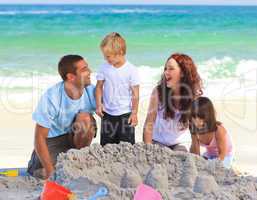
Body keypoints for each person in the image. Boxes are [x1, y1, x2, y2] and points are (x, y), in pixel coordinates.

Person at [27, 55, 97, 179]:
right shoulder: (52, 97)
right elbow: (39, 137)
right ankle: (42, 168)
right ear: (71, 77)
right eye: (84, 69)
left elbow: (116, 108)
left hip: (74, 138)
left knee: (85, 119)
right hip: (53, 140)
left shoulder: (92, 92)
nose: (90, 72)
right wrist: (50, 171)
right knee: (44, 172)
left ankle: (78, 161)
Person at [143, 53, 202, 151]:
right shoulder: (158, 92)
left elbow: (195, 135)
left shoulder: (193, 97)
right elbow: (149, 124)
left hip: (179, 143)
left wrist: (197, 160)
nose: (166, 72)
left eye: (171, 69)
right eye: (165, 69)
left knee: (179, 156)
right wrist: (147, 151)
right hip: (157, 142)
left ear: (183, 73)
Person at [96, 32, 140, 146]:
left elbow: (135, 94)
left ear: (119, 53)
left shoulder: (131, 70)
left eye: (108, 56)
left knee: (127, 146)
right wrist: (98, 104)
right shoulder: (104, 67)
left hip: (125, 114)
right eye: (104, 56)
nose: (105, 59)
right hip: (107, 113)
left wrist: (134, 113)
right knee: (106, 146)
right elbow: (99, 87)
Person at [189, 96, 234, 168]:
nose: (197, 122)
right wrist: (197, 162)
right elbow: (196, 152)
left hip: (225, 155)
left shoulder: (218, 130)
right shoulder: (193, 128)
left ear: (208, 116)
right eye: (194, 117)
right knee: (196, 162)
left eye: (201, 118)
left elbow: (222, 154)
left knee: (218, 167)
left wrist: (213, 165)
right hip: (210, 155)